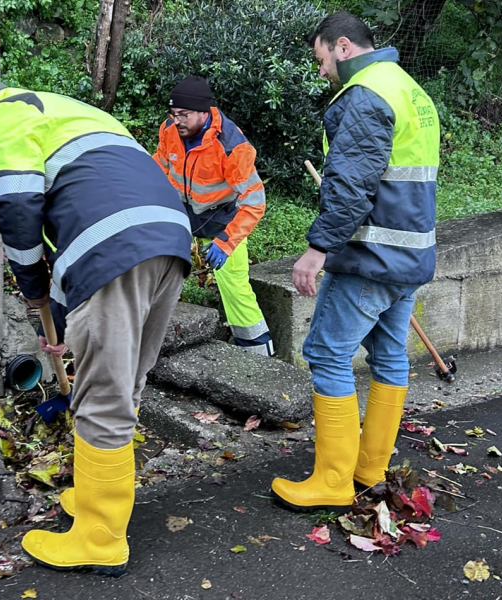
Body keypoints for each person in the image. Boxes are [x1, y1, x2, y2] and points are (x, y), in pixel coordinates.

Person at [0, 79, 192, 575]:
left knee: (104, 397)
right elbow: (86, 210)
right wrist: (65, 321)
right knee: (124, 384)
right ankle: (94, 500)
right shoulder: (72, 114)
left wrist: (32, 286)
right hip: (169, 238)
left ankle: (100, 538)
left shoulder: (5, 113)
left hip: (114, 248)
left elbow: (19, 203)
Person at [270, 12, 440, 512]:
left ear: (342, 46)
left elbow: (350, 187)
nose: (321, 70)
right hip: (408, 252)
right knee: (388, 357)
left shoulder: (364, 96)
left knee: (326, 354)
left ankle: (332, 480)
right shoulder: (409, 89)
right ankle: (369, 469)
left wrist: (316, 249)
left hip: (369, 257)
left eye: (321, 58)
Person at [153, 76, 274, 356]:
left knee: (233, 283)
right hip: (181, 211)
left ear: (204, 113)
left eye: (183, 115)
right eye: (173, 114)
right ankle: (154, 330)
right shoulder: (170, 129)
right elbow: (158, 166)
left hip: (222, 217)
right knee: (158, 264)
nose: (176, 121)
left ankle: (258, 350)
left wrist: (225, 243)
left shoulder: (232, 146)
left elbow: (254, 203)